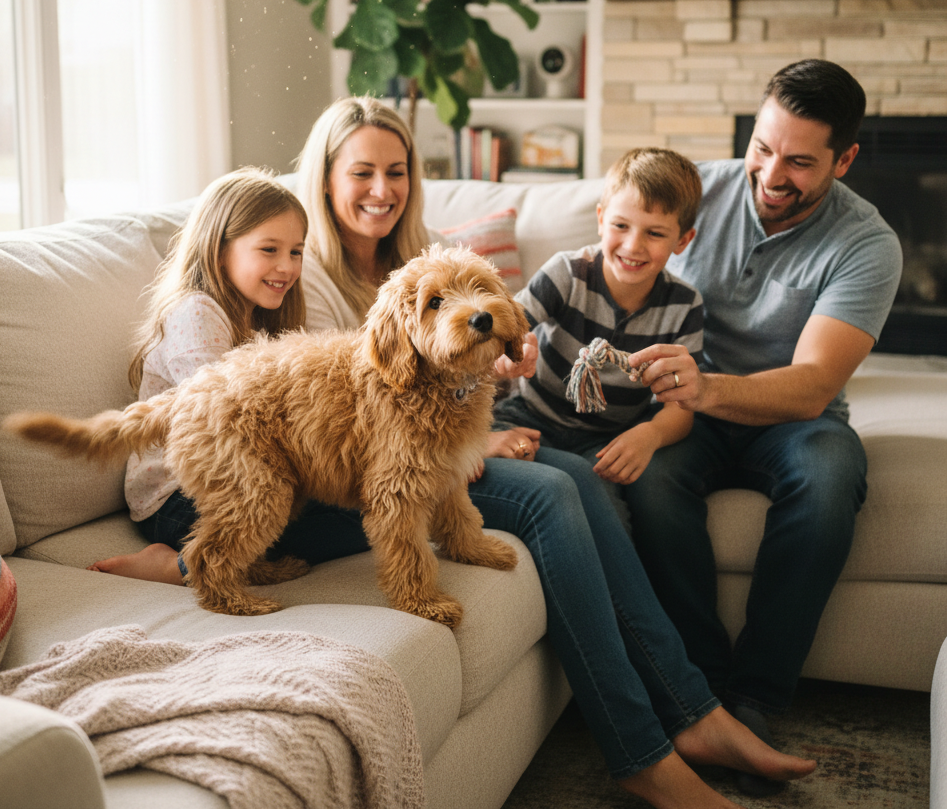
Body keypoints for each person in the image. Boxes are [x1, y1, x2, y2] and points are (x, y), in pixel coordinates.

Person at [295, 95, 816, 809]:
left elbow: (487, 351)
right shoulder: (306, 273)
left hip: (455, 442)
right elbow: (347, 417)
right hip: (388, 472)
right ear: (326, 179)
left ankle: (693, 715)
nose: (383, 190)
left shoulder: (426, 258)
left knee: (576, 486)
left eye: (398, 171)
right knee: (559, 490)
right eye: (362, 173)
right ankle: (650, 748)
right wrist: (485, 427)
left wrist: (497, 378)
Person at [622, 59, 903, 796]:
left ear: (844, 160)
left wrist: (706, 384)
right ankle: (703, 697)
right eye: (763, 147)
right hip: (691, 411)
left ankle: (758, 699)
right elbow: (611, 251)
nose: (772, 174)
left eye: (802, 162)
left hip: (788, 418)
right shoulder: (696, 193)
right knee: (650, 479)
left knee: (832, 475)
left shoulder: (867, 244)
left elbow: (813, 386)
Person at [89, 166, 368, 583]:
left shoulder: (258, 320)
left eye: (295, 251)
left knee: (369, 507)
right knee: (359, 521)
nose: (287, 267)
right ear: (219, 249)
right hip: (180, 498)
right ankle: (180, 565)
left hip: (255, 478)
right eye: (269, 249)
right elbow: (224, 426)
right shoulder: (195, 314)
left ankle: (240, 560)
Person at [493, 148, 702, 530]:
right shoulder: (568, 273)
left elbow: (682, 407)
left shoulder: (684, 306)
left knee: (609, 514)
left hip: (608, 439)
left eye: (654, 233)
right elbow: (508, 326)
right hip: (530, 417)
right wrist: (512, 353)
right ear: (602, 219)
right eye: (621, 226)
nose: (633, 245)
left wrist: (650, 435)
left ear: (683, 240)